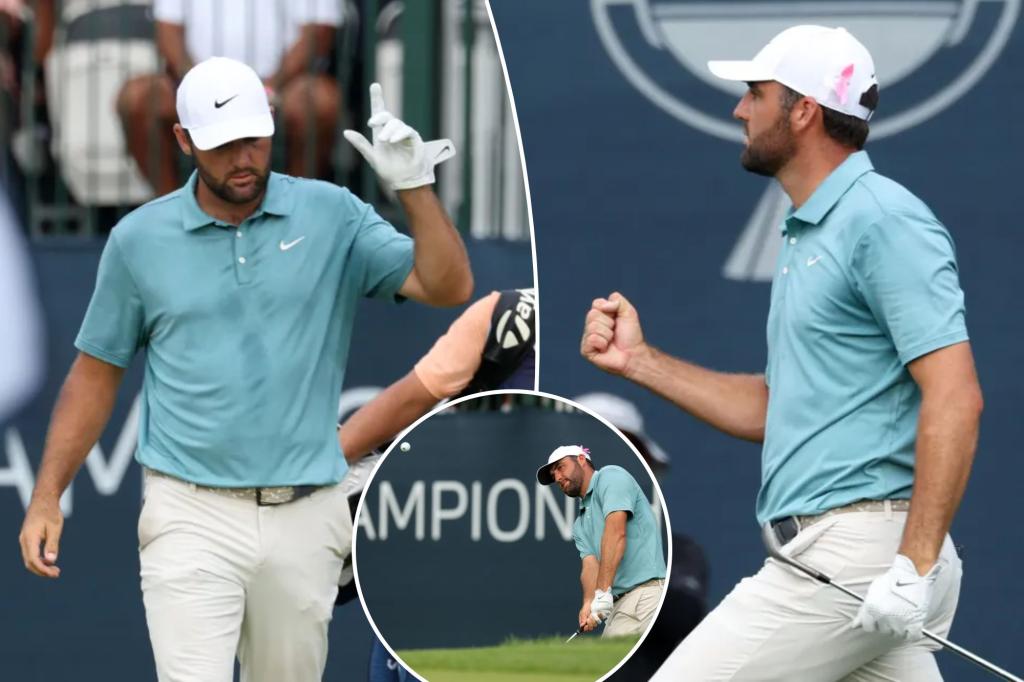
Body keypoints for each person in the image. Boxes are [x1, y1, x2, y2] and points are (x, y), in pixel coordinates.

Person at [18, 56, 472, 682]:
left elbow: (446, 287)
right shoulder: (138, 239)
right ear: (183, 140)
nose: (243, 158)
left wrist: (414, 185)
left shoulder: (331, 213)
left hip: (307, 512)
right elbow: (95, 375)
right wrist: (47, 496)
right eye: (223, 144)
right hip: (188, 512)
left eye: (254, 139)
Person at [581, 25, 981, 680]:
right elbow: (776, 407)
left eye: (754, 93)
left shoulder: (881, 219)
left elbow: (957, 395)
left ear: (804, 111)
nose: (739, 109)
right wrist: (639, 361)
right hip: (861, 562)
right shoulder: (812, 229)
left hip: (858, 561)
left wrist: (912, 566)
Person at [118, 0, 342, 194]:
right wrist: (200, 85)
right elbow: (168, 31)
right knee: (137, 98)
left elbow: (318, 32)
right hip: (195, 83)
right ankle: (172, 213)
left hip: (282, 87)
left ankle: (295, 210)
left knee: (320, 102)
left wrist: (264, 89)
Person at [536, 444, 666, 638]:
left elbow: (616, 533)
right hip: (619, 607)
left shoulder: (610, 477)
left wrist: (602, 593)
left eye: (561, 467)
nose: (558, 478)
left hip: (648, 596)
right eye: (554, 475)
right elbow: (590, 566)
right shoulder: (580, 524)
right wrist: (589, 602)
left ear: (581, 459)